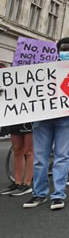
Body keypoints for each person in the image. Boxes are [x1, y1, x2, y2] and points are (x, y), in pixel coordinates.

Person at [23, 37, 69, 210]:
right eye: (64, 49)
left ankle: (58, 195)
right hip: (43, 118)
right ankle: (39, 193)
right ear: (57, 51)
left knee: (62, 156)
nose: (67, 53)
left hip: (67, 118)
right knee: (40, 158)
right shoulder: (42, 68)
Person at [0, 60, 33, 197]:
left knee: (29, 151)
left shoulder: (31, 77)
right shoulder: (8, 80)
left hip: (30, 117)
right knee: (17, 150)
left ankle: (27, 183)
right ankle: (17, 182)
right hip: (15, 117)